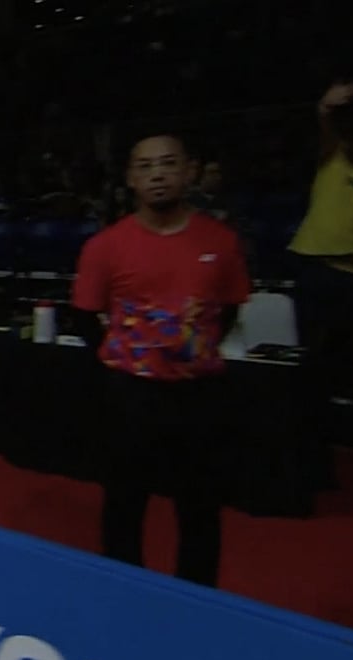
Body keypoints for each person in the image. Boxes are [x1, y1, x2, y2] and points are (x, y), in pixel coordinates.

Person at [72, 133, 251, 588]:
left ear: (190, 171)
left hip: (198, 395)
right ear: (131, 178)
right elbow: (86, 317)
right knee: (124, 502)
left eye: (168, 164)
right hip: (130, 396)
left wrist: (189, 351)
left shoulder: (222, 241)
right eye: (146, 166)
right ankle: (123, 590)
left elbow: (229, 310)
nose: (157, 175)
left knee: (200, 507)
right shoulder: (104, 246)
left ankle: (197, 598)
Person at [289, 79, 353, 410]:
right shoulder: (334, 155)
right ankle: (311, 402)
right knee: (315, 343)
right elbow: (325, 120)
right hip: (316, 263)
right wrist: (327, 104)